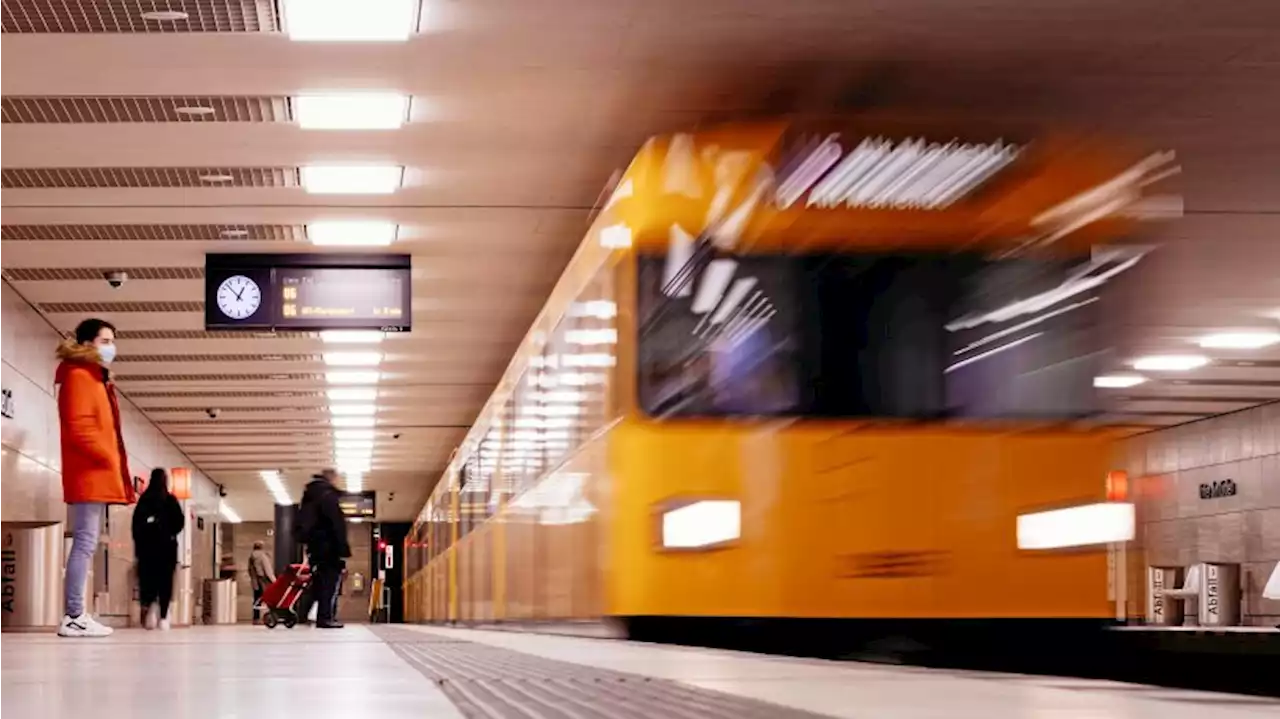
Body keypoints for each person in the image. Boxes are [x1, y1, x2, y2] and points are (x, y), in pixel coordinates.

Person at [55, 317, 135, 638]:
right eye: (105, 341)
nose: (110, 347)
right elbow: (78, 427)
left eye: (112, 341)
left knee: (87, 543)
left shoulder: (94, 378)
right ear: (86, 343)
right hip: (90, 472)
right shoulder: (78, 376)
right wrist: (108, 458)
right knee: (85, 543)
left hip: (94, 472)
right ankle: (74, 615)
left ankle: (77, 613)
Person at [131, 468, 184, 630]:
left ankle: (149, 610)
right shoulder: (170, 500)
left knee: (148, 581)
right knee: (165, 582)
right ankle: (163, 616)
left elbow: (136, 527)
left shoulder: (144, 501)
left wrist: (140, 545)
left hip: (147, 550)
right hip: (167, 549)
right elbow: (179, 523)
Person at [297, 469, 350, 629]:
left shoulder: (310, 495)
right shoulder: (328, 496)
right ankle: (325, 618)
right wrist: (342, 548)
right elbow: (336, 524)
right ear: (331, 478)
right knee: (330, 582)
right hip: (328, 546)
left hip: (315, 546)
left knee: (319, 582)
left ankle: (303, 614)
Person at [247, 541, 276, 624]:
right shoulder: (262, 556)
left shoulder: (251, 557)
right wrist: (274, 581)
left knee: (257, 599)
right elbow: (268, 571)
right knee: (268, 598)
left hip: (255, 581)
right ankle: (270, 616)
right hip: (263, 581)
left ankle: (255, 618)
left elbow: (249, 570)